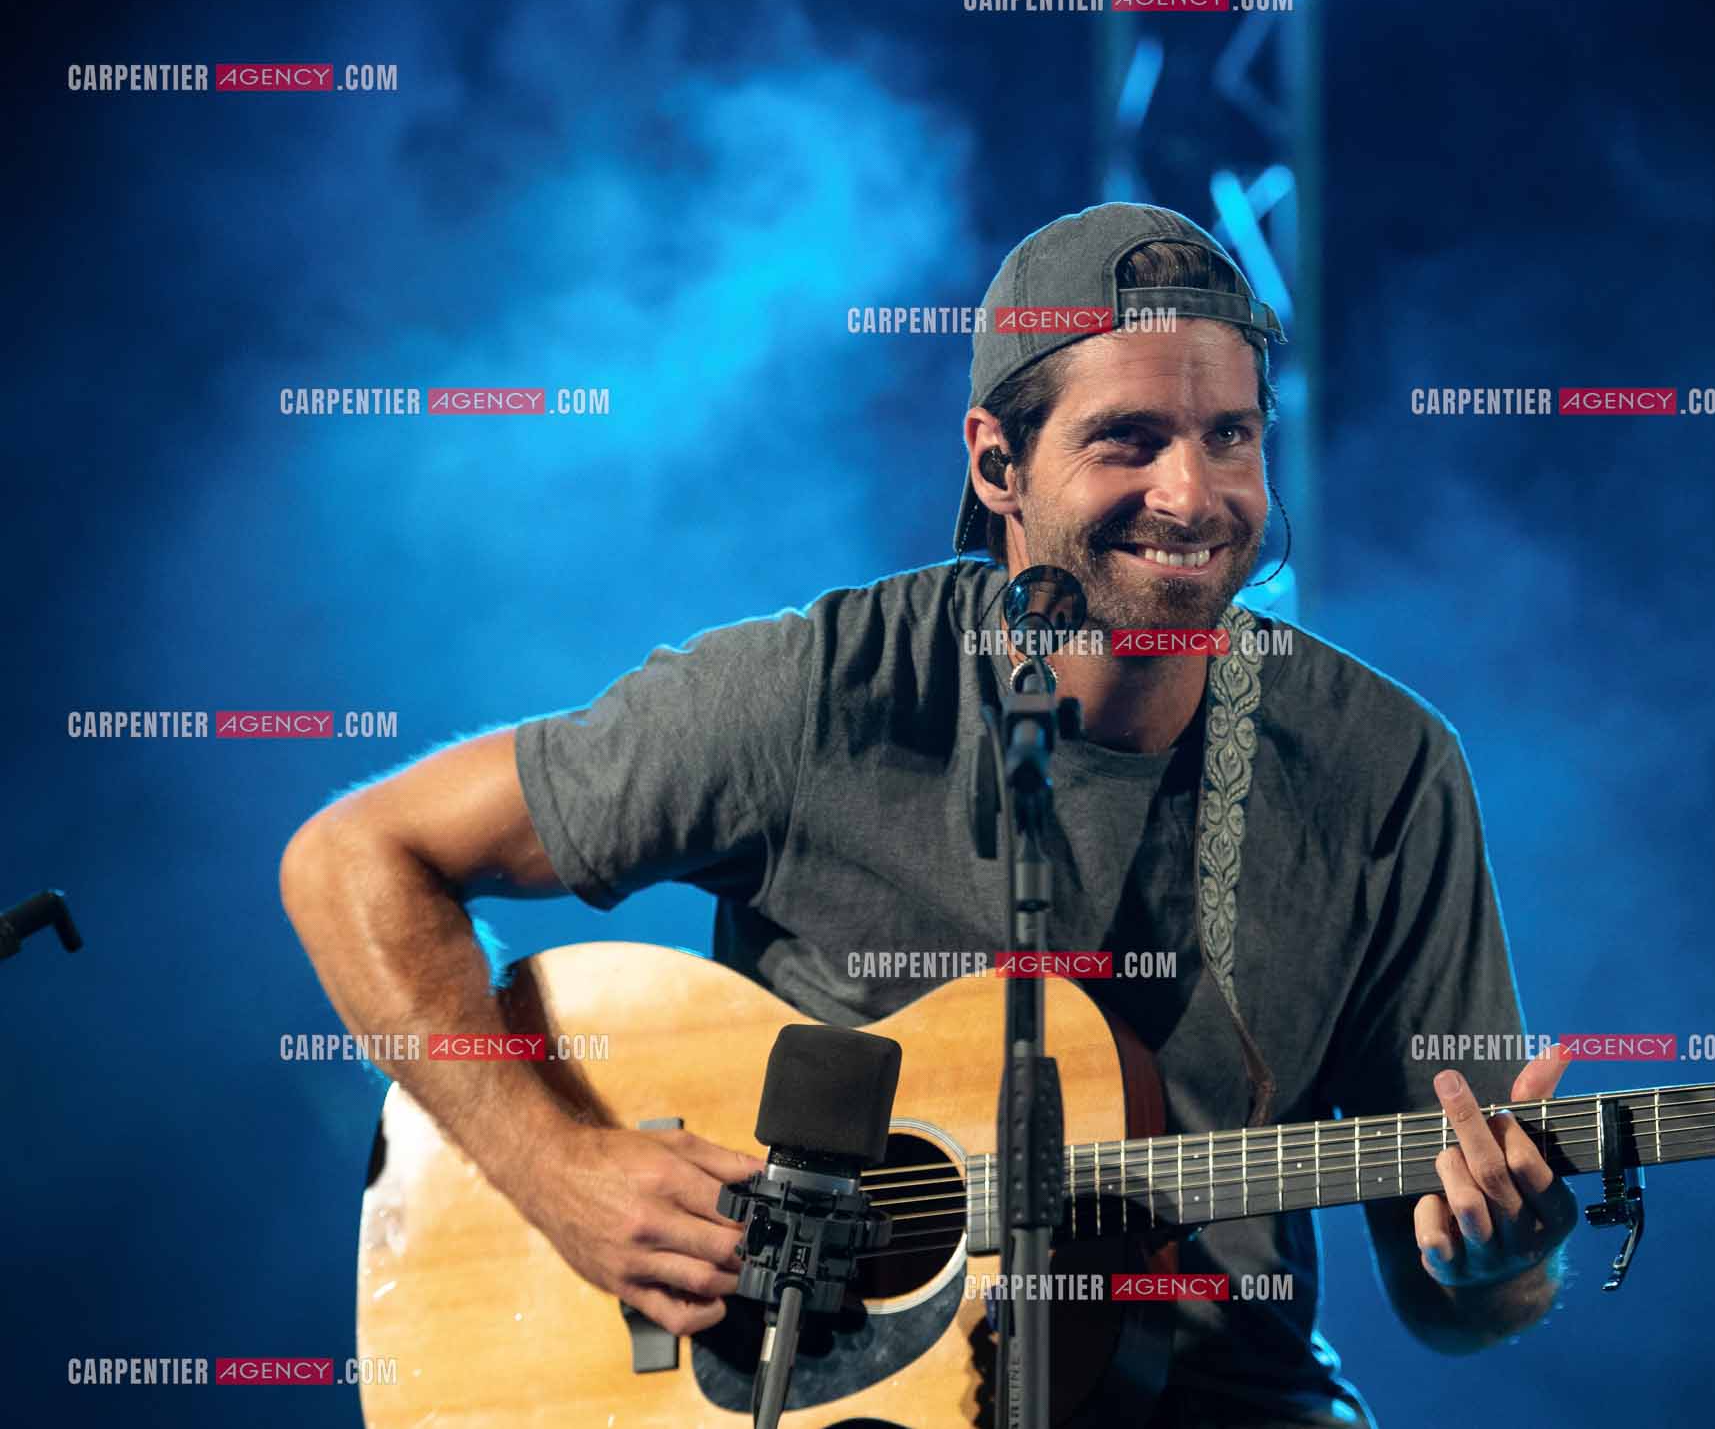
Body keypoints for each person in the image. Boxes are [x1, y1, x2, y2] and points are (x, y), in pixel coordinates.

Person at [280, 202, 1576, 1428]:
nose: (1194, 497)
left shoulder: (1381, 766)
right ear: (998, 462)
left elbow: (1461, 1301)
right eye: (1128, 439)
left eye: (1230, 436)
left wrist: (1492, 1256)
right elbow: (353, 858)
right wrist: (552, 1169)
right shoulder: (821, 691)